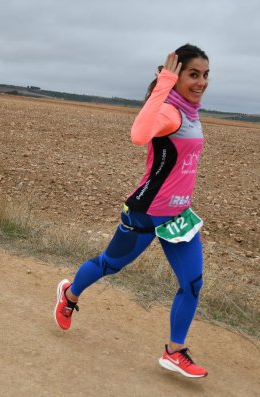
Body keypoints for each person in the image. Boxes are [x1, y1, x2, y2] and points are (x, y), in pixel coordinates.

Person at [54, 44, 210, 378]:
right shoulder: (170, 112)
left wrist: (171, 84)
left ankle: (174, 350)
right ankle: (69, 295)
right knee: (109, 265)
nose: (201, 82)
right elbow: (139, 135)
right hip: (145, 212)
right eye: (193, 74)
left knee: (192, 284)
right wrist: (164, 84)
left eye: (205, 75)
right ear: (176, 75)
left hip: (179, 216)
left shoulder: (191, 114)